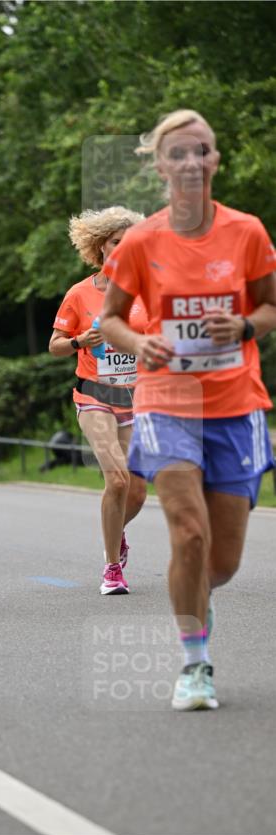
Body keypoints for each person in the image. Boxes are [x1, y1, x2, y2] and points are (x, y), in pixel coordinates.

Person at [101, 109, 276, 710]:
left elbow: (270, 308)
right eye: (177, 153)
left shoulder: (247, 231)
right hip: (167, 401)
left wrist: (245, 326)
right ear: (160, 166)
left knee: (220, 561)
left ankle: (199, 600)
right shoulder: (143, 241)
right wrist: (139, 342)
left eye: (200, 150)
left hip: (236, 406)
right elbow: (111, 320)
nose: (190, 162)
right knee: (188, 531)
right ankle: (194, 664)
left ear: (215, 159)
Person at [49, 207, 147, 595]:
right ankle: (111, 569)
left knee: (137, 491)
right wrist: (77, 342)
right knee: (118, 480)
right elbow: (55, 346)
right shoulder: (80, 293)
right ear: (100, 247)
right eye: (116, 243)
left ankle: (116, 532)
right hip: (93, 397)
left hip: (135, 400)